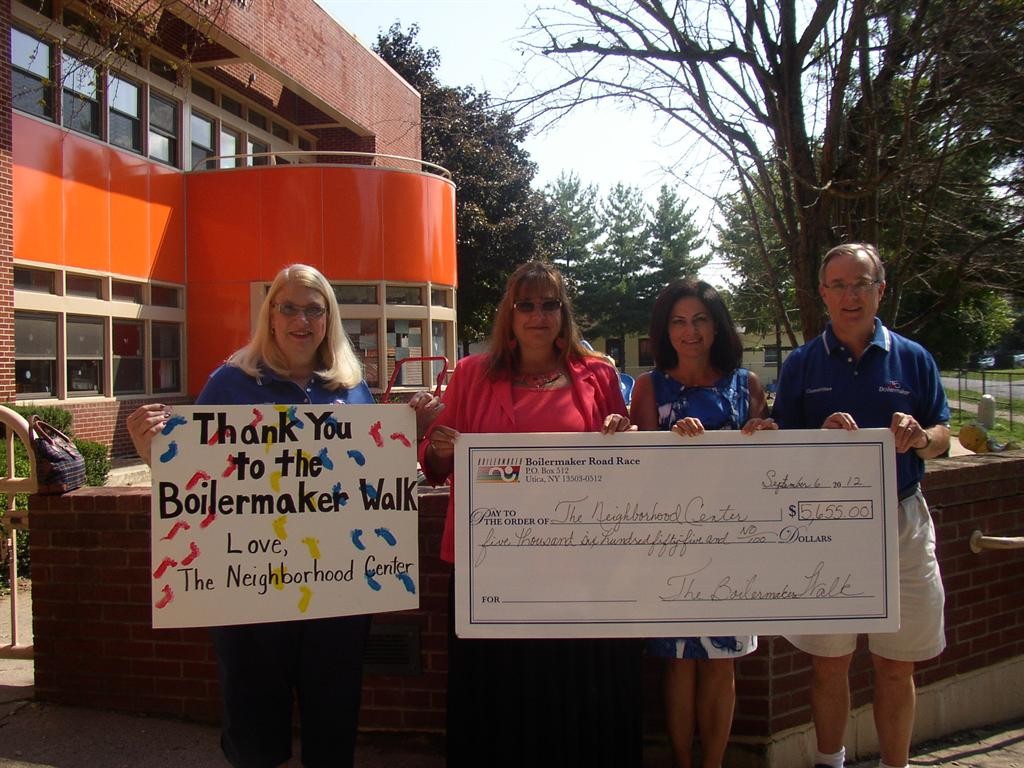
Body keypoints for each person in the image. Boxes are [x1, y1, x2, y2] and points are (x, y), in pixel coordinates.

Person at [127, 264, 442, 768]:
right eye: (289, 307)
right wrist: (153, 453)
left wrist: (412, 433)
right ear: (270, 315)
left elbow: (367, 482)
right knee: (255, 730)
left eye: (314, 310)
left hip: (337, 591)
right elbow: (195, 479)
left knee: (333, 722)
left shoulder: (352, 386)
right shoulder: (231, 383)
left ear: (329, 319)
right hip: (248, 590)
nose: (302, 320)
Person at [420, 260, 641, 768]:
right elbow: (433, 460)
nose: (538, 315)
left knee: (575, 689)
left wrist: (622, 435)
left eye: (549, 304)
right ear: (509, 314)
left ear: (563, 314)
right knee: (500, 689)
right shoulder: (473, 374)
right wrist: (442, 448)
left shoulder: (598, 374)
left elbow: (626, 459)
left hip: (580, 568)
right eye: (526, 304)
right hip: (491, 566)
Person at [771, 243, 950, 768]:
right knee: (830, 662)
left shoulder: (914, 359)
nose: (851, 296)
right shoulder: (802, 363)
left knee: (897, 666)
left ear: (881, 289)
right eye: (839, 285)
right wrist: (815, 437)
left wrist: (920, 436)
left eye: (862, 284)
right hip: (826, 528)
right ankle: (831, 762)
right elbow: (780, 441)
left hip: (901, 518)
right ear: (823, 293)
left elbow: (942, 436)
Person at [629, 278, 776, 768]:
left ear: (716, 326)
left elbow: (765, 469)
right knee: (677, 665)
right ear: (664, 330)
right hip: (669, 546)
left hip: (733, 547)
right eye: (678, 321)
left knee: (720, 663)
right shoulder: (649, 388)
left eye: (699, 320)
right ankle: (682, 763)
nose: (689, 331)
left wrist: (762, 435)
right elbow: (635, 469)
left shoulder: (746, 385)